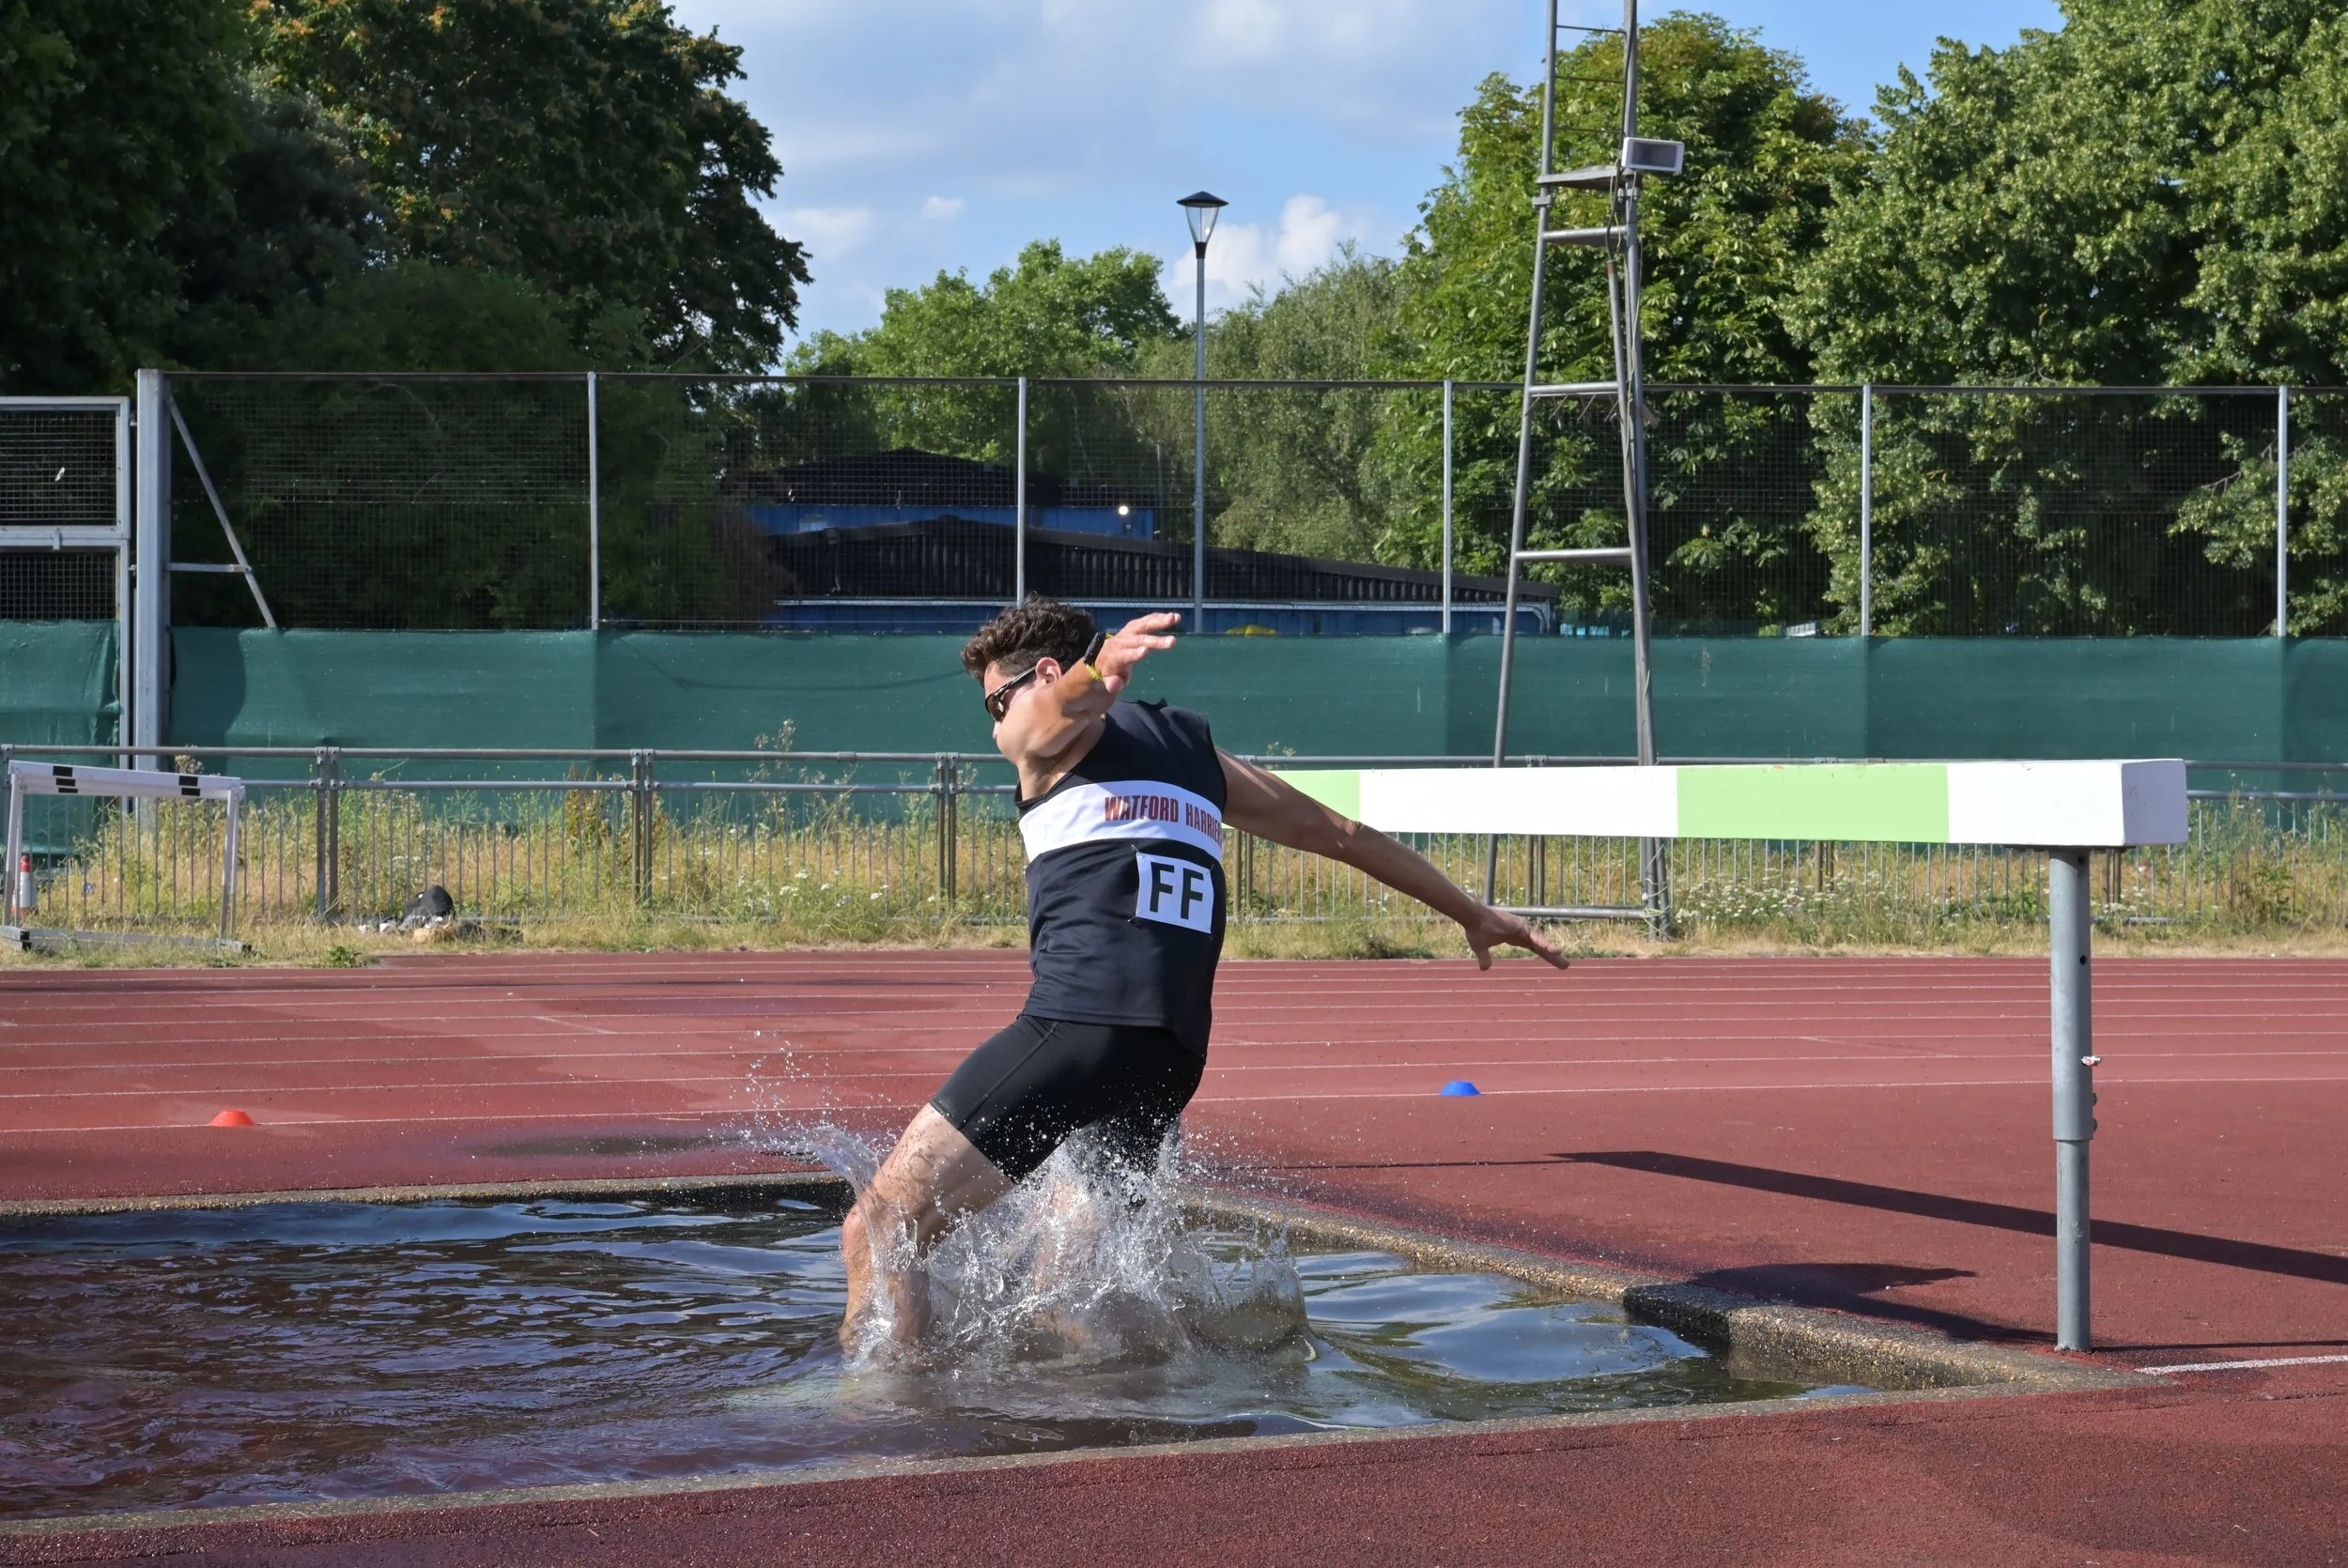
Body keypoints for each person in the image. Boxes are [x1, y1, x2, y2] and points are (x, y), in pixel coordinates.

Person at [839, 595, 1569, 1347]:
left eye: (995, 701)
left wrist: (1095, 675)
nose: (994, 725)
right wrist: (1469, 911)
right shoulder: (1196, 754)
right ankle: (1158, 1405)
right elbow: (1342, 834)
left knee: (880, 1228)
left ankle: (884, 1412)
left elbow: (1043, 721)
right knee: (1072, 1302)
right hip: (1168, 1062)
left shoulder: (1046, 735)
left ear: (1046, 674)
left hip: (1077, 1032)